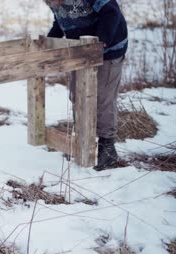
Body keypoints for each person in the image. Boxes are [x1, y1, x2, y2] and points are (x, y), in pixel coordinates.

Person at [44, 0, 128, 171]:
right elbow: (61, 22)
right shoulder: (51, 1)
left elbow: (111, 12)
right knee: (77, 94)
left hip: (109, 49)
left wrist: (101, 41)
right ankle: (82, 142)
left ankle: (107, 148)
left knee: (102, 97)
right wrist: (49, 42)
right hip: (80, 52)